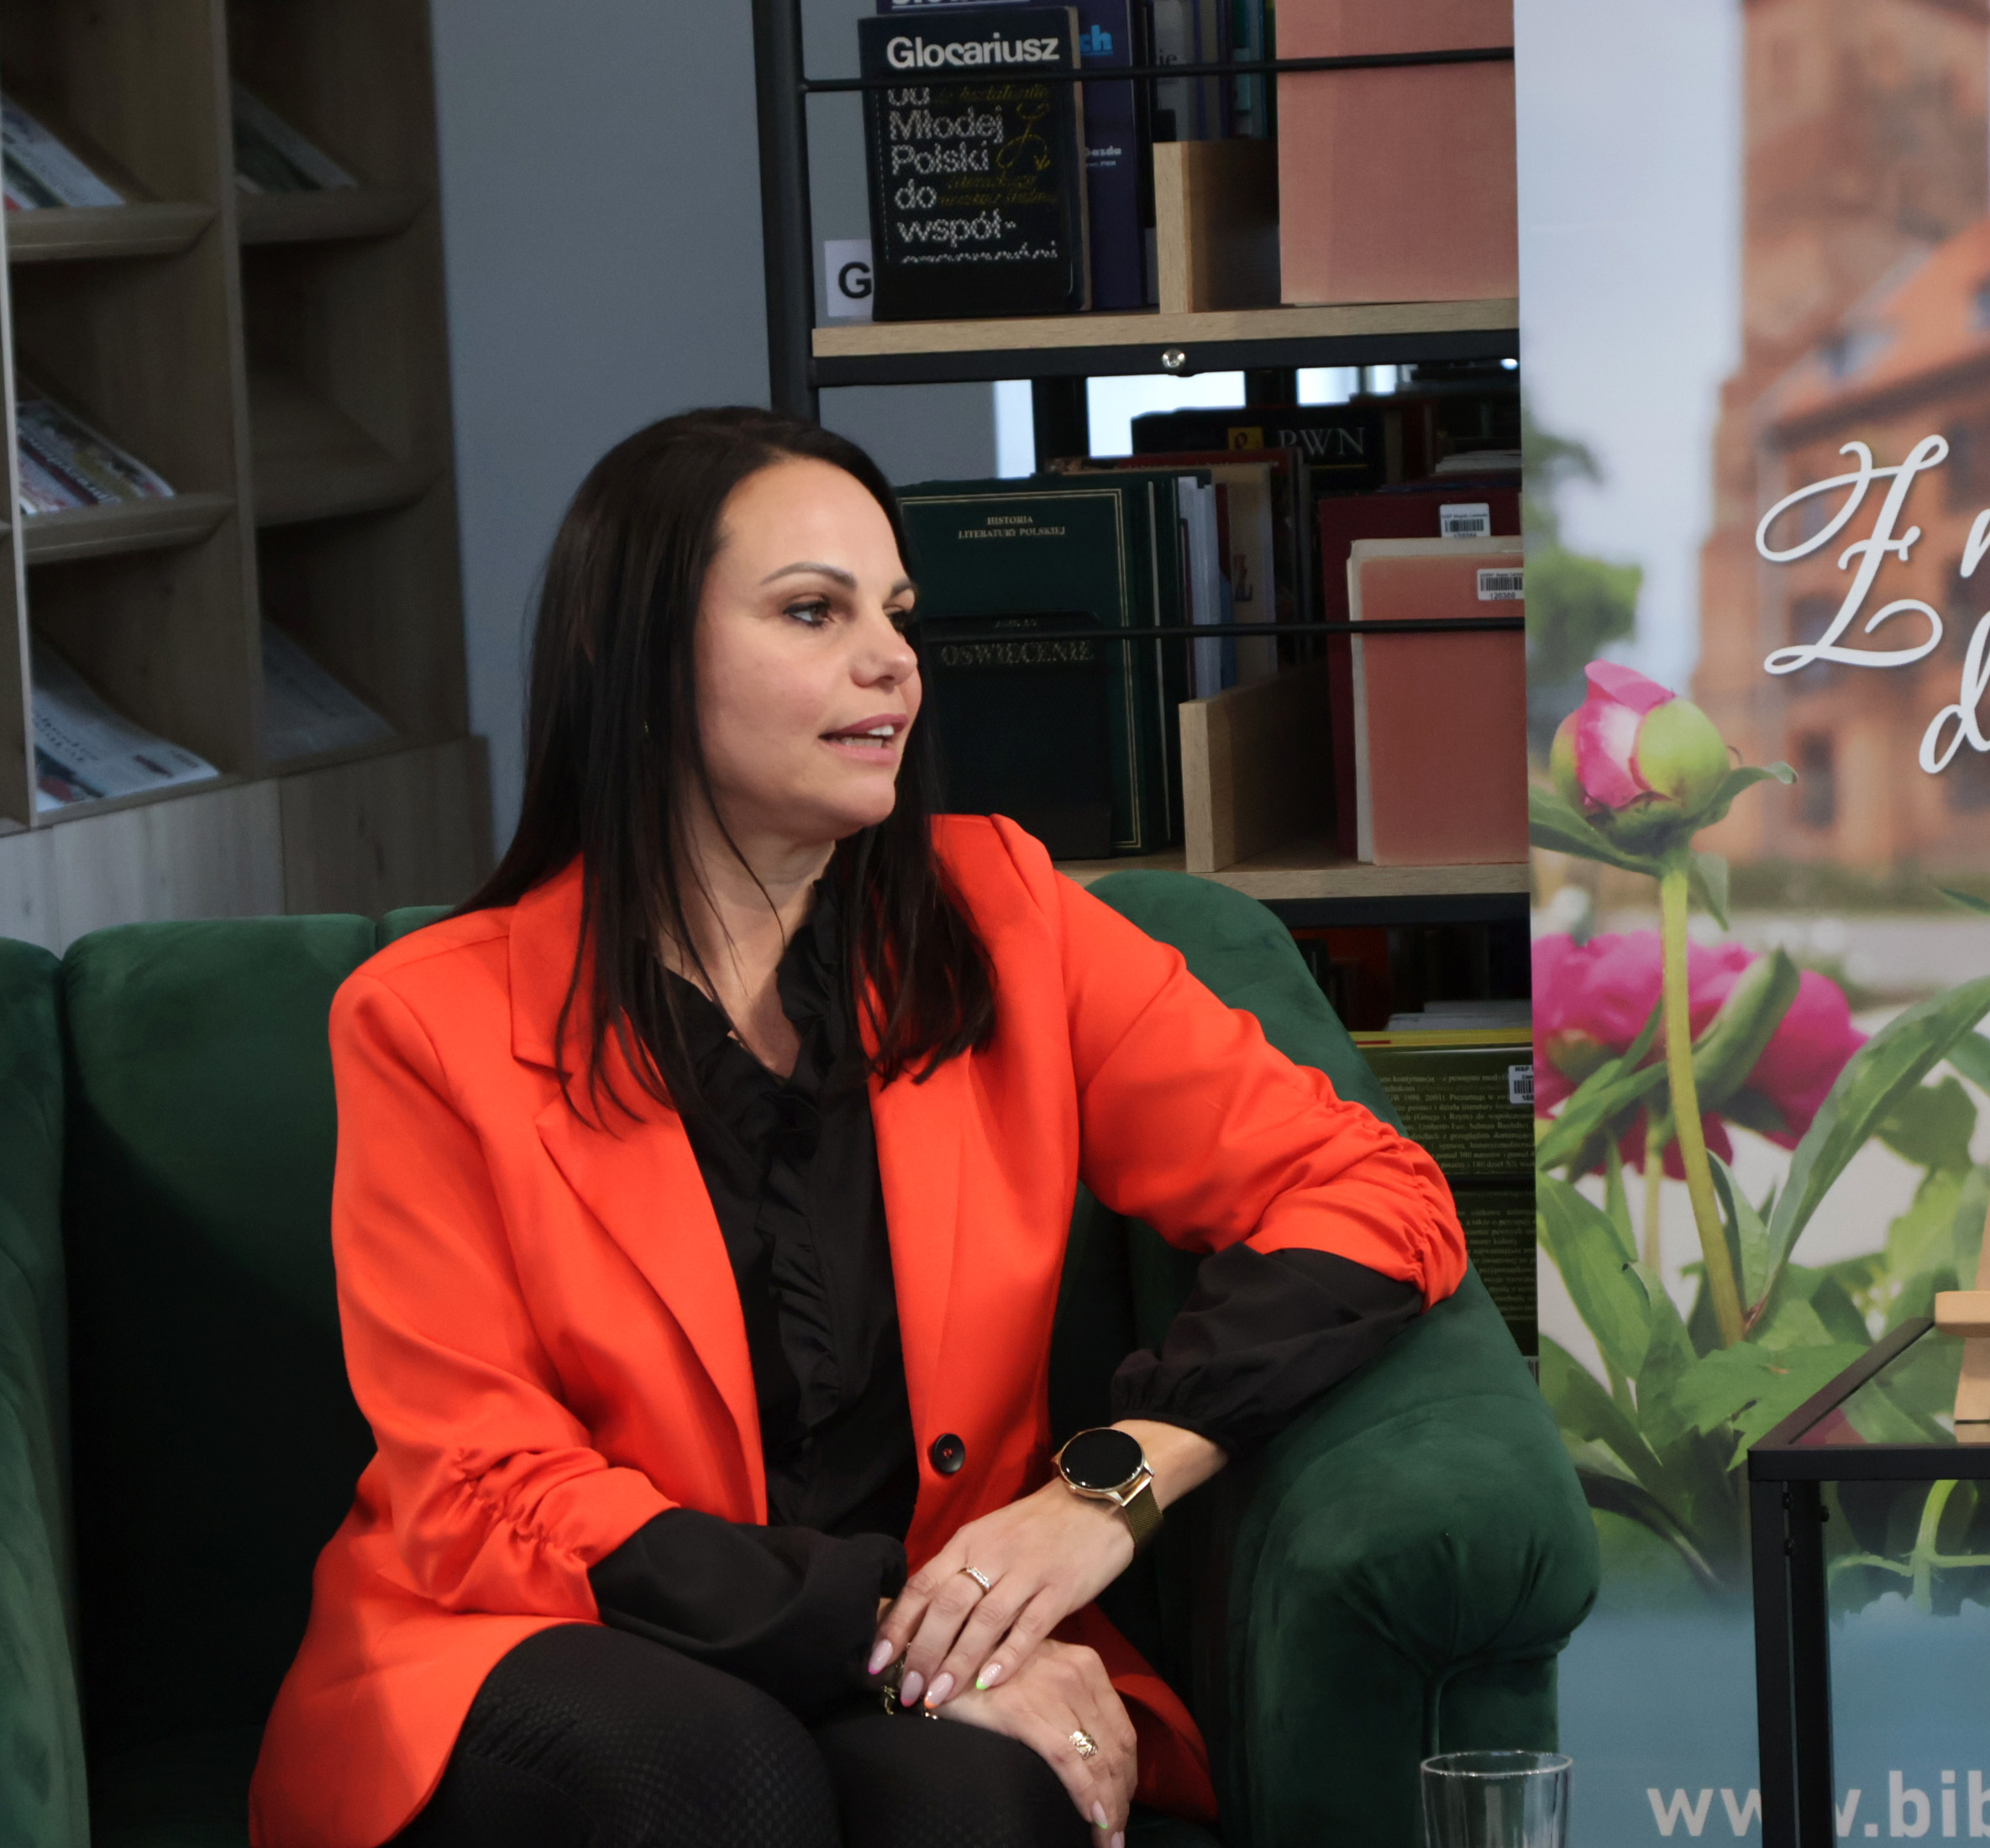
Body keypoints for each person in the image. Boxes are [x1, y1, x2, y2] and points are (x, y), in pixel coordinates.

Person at [247, 407, 1467, 1848]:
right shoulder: (424, 1020)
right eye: (811, 612)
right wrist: (896, 1638)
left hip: (933, 1631)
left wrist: (1108, 1490)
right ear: (632, 656)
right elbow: (483, 1484)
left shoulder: (1002, 916)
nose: (892, 660)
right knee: (723, 1773)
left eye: (896, 613)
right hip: (549, 1630)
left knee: (975, 1808)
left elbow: (1371, 1192)